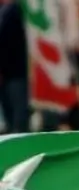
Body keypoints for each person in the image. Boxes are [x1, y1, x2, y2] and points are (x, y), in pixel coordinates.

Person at [0, 0, 28, 133]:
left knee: (18, 117)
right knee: (10, 116)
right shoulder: (4, 11)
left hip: (16, 72)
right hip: (7, 73)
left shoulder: (16, 10)